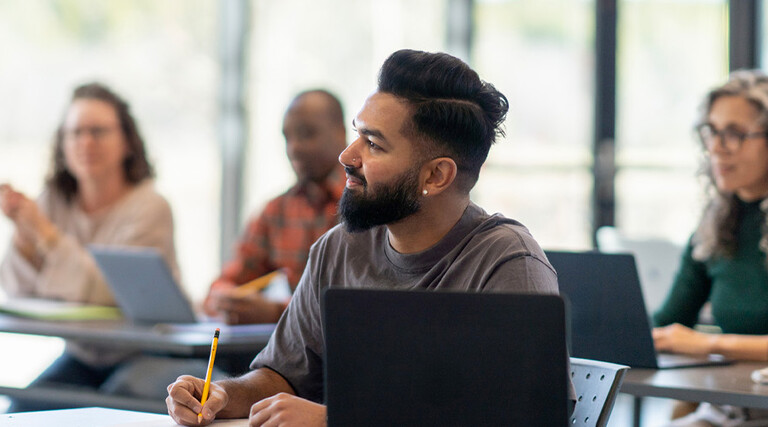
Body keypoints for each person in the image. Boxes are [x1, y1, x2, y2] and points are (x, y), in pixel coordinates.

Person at [166, 49, 575, 426]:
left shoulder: (508, 263)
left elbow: (520, 415)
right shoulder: (339, 247)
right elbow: (281, 377)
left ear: (436, 175)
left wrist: (337, 420)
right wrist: (222, 393)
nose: (347, 155)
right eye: (357, 134)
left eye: (374, 144)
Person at [0, 82, 181, 409]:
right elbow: (20, 292)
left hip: (149, 354)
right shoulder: (55, 199)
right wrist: (25, 237)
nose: (86, 142)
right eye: (75, 132)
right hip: (86, 355)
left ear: (126, 140)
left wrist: (44, 233)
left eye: (98, 131)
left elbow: (106, 291)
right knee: (20, 409)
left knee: (112, 406)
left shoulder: (150, 206)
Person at [652, 70, 768, 425]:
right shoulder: (717, 225)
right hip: (734, 409)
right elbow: (671, 321)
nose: (717, 147)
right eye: (712, 132)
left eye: (734, 134)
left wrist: (711, 344)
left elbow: (695, 340)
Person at [203, 89, 347, 325]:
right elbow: (230, 280)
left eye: (307, 134)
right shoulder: (276, 209)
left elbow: (354, 303)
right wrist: (226, 298)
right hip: (283, 351)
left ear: (341, 132)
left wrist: (276, 312)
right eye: (287, 138)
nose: (294, 148)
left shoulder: (366, 204)